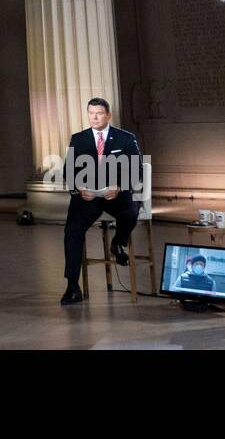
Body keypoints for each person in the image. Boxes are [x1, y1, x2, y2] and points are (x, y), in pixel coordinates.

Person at [60, 97, 142, 306]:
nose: (94, 117)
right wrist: (78, 189)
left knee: (131, 211)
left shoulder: (125, 138)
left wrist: (119, 187)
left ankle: (118, 242)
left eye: (99, 113)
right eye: (91, 113)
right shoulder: (78, 139)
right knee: (72, 230)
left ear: (108, 115)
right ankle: (72, 286)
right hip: (89, 198)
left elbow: (137, 169)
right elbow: (69, 172)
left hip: (117, 195)